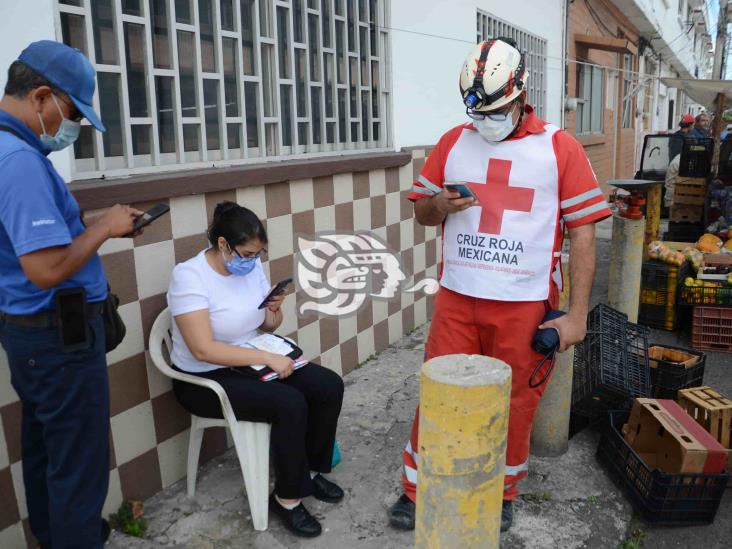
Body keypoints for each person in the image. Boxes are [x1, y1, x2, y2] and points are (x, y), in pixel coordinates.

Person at [387, 38, 611, 533]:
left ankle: (502, 490)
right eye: (477, 111)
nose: (486, 120)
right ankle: (415, 487)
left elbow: (584, 234)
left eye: (497, 109)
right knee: (440, 390)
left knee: (516, 401)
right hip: (458, 297)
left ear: (520, 93)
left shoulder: (559, 147)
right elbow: (422, 211)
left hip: (525, 304)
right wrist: (439, 206)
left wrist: (575, 316)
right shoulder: (452, 142)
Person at [0, 41, 143, 547]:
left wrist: (92, 228)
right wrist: (104, 227)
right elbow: (44, 268)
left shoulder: (12, 151)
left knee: (48, 446)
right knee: (79, 461)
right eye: (72, 113)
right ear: (41, 97)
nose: (72, 128)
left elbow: (32, 244)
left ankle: (57, 534)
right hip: (55, 338)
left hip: (34, 336)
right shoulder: (16, 159)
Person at [167, 201, 345, 538]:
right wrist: (265, 359)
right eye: (248, 254)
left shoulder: (249, 268)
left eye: (258, 254)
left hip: (252, 355)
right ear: (223, 245)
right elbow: (202, 348)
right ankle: (287, 499)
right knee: (288, 402)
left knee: (327, 386)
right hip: (204, 378)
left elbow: (266, 326)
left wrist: (273, 312)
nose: (254, 261)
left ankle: (307, 471)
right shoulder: (188, 276)